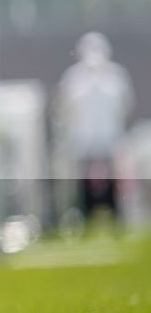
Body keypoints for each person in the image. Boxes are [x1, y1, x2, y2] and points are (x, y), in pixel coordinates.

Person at [55, 31, 135, 231]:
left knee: (114, 180)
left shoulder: (117, 76)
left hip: (109, 139)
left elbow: (125, 107)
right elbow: (64, 109)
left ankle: (116, 215)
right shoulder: (73, 78)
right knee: (84, 182)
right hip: (83, 142)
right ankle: (84, 213)